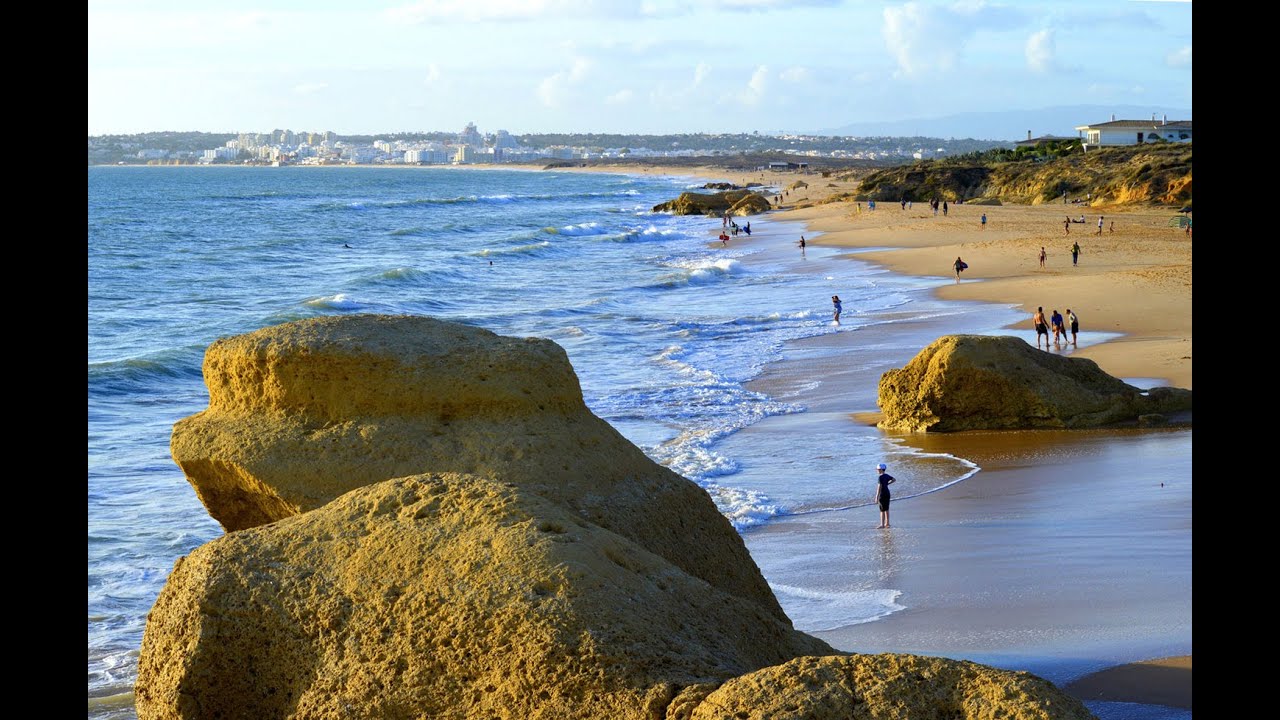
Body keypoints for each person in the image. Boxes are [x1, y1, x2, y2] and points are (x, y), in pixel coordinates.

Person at [875, 462, 895, 529]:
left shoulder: (880, 477)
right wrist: (887, 484)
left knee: (882, 510)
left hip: (882, 494)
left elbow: (879, 487)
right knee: (886, 509)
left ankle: (882, 524)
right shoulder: (886, 475)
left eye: (877, 469)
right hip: (887, 493)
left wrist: (876, 497)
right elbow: (894, 479)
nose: (877, 470)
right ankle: (887, 523)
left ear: (880, 469)